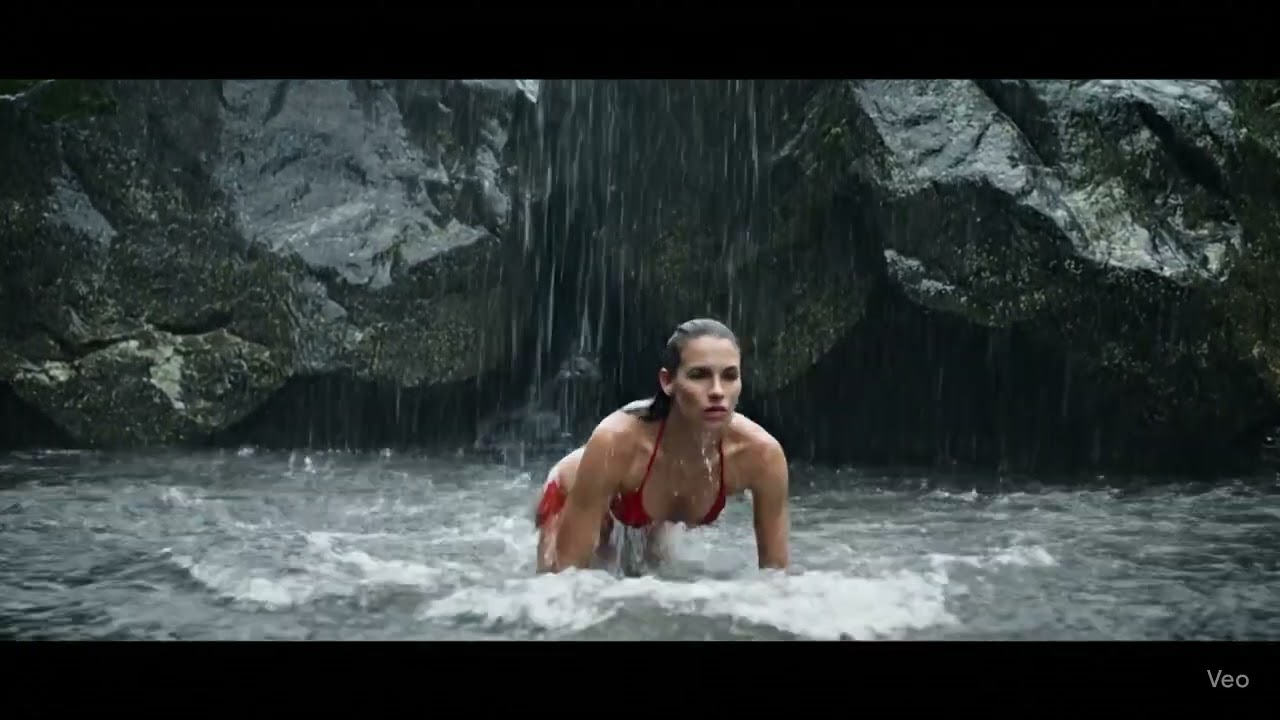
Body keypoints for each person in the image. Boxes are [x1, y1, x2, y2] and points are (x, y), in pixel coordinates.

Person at [533, 318, 790, 576]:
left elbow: (777, 578)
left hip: (647, 506)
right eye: (699, 375)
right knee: (557, 587)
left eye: (729, 376)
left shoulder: (762, 455)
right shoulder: (615, 442)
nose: (717, 391)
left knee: (650, 575)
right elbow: (567, 582)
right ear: (668, 382)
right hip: (573, 489)